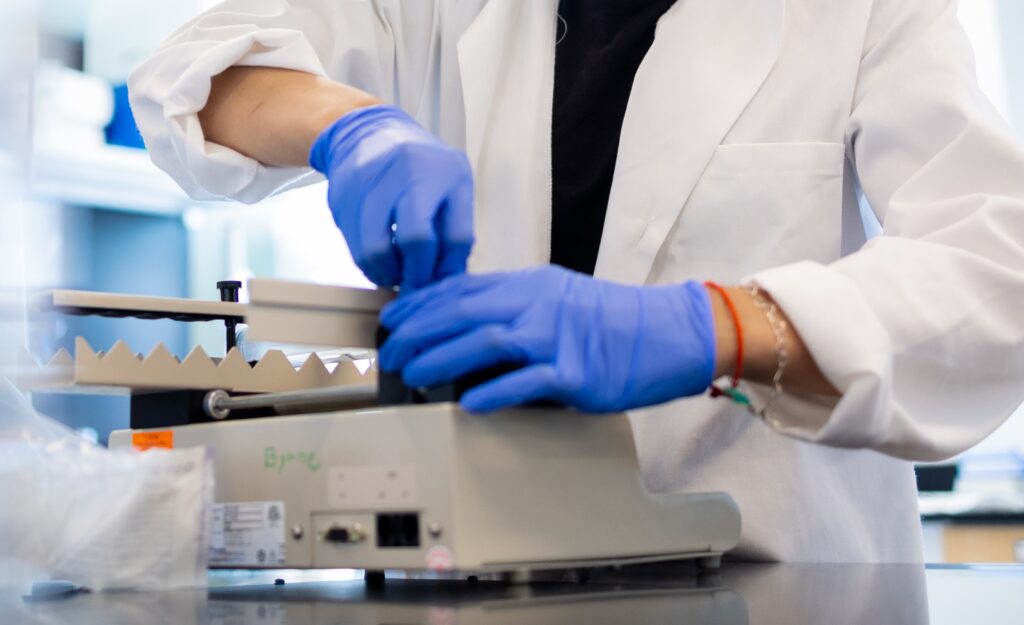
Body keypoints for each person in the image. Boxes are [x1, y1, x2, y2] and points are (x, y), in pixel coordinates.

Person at [129, 0, 1024, 562]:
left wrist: (710, 328)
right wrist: (353, 127)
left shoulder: (867, 13)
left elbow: (994, 270)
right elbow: (190, 77)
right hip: (479, 572)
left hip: (780, 578)